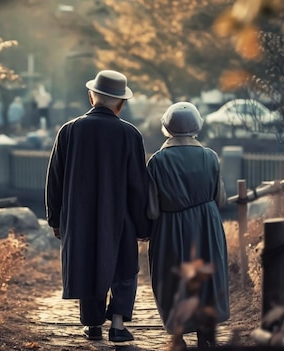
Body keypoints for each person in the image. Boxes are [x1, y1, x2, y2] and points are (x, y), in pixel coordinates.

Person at [45, 70, 150, 343]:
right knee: (124, 268)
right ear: (120, 103)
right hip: (121, 216)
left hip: (79, 217)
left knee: (87, 263)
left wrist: (55, 219)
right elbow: (138, 186)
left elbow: (54, 180)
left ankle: (92, 325)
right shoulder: (130, 134)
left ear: (92, 97)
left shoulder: (69, 131)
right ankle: (117, 325)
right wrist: (142, 224)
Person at [146, 102, 229, 348]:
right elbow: (220, 199)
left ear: (167, 128)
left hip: (170, 226)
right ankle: (205, 334)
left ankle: (178, 335)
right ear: (197, 127)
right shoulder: (210, 157)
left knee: (172, 278)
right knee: (207, 277)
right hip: (207, 224)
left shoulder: (158, 161)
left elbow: (151, 209)